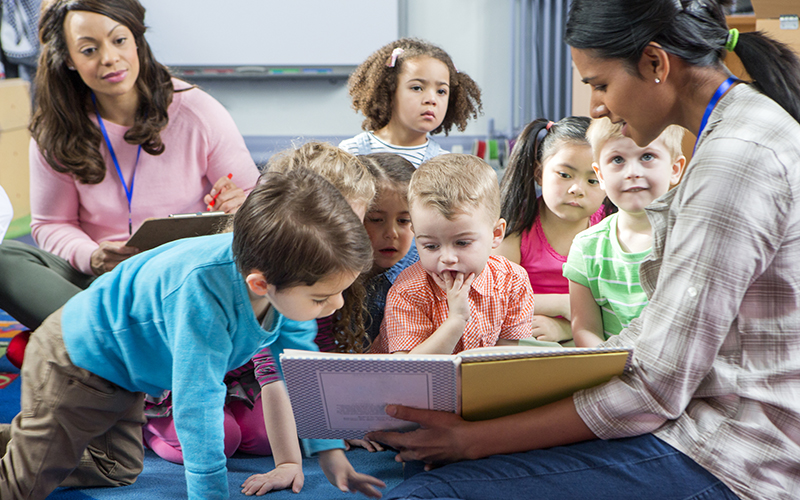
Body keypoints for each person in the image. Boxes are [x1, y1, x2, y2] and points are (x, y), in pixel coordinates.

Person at [364, 1, 800, 499]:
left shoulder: (736, 161)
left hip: (735, 451)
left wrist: (474, 440)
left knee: (431, 493)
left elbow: (654, 389)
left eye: (599, 84)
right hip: (702, 419)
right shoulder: (742, 130)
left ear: (656, 64)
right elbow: (658, 337)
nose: (594, 107)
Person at [0, 169, 385, 499]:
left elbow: (299, 370)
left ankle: (31, 438)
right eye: (322, 297)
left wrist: (330, 452)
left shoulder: (283, 275)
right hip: (78, 361)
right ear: (261, 284)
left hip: (126, 373)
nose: (335, 305)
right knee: (24, 484)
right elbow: (197, 405)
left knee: (114, 468)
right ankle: (33, 444)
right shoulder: (203, 294)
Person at [0, 0, 260, 367]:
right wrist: (92, 256)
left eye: (119, 40)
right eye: (89, 49)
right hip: (99, 285)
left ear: (137, 40)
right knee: (5, 259)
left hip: (184, 284)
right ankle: (131, 349)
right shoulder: (54, 129)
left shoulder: (198, 110)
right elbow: (50, 225)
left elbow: (254, 198)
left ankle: (92, 345)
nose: (109, 58)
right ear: (70, 59)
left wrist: (238, 204)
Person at [142, 141, 378, 463]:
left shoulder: (332, 268)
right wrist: (289, 463)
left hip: (245, 380)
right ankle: (147, 423)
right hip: (191, 379)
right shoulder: (272, 272)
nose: (345, 238)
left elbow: (311, 352)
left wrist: (331, 423)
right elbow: (272, 367)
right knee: (221, 439)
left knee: (262, 436)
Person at [370, 154, 534, 355]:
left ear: (496, 234)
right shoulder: (408, 291)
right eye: (431, 246)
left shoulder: (512, 281)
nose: (447, 258)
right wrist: (456, 320)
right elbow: (410, 372)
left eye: (462, 243)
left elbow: (504, 361)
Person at [565, 119, 685, 347]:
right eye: (618, 160)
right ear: (600, 175)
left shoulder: (692, 237)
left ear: (675, 169)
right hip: (613, 370)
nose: (632, 172)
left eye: (647, 157)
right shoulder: (586, 247)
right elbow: (585, 329)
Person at [495, 117, 610, 343]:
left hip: (592, 341)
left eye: (593, 180)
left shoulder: (610, 229)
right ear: (539, 173)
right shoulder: (515, 227)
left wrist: (567, 326)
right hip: (526, 340)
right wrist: (564, 304)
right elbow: (493, 297)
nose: (577, 189)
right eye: (565, 175)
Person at [339, 38, 482, 167]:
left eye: (441, 91)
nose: (431, 100)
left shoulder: (445, 164)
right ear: (389, 91)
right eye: (417, 88)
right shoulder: (351, 152)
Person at [360, 153, 419, 343]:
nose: (392, 233)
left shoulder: (423, 271)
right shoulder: (334, 273)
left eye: (404, 221)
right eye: (376, 220)